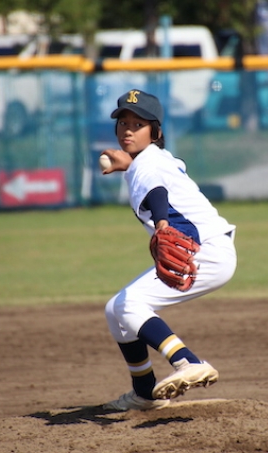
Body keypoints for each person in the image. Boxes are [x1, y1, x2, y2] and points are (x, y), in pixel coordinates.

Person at [100, 89, 237, 411]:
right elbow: (152, 174)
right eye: (123, 123)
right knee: (114, 309)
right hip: (209, 249)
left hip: (205, 253)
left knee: (130, 304)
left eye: (138, 125)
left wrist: (162, 225)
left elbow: (157, 192)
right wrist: (129, 164)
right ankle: (145, 393)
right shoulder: (152, 160)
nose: (128, 130)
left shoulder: (147, 166)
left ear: (156, 132)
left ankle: (188, 361)